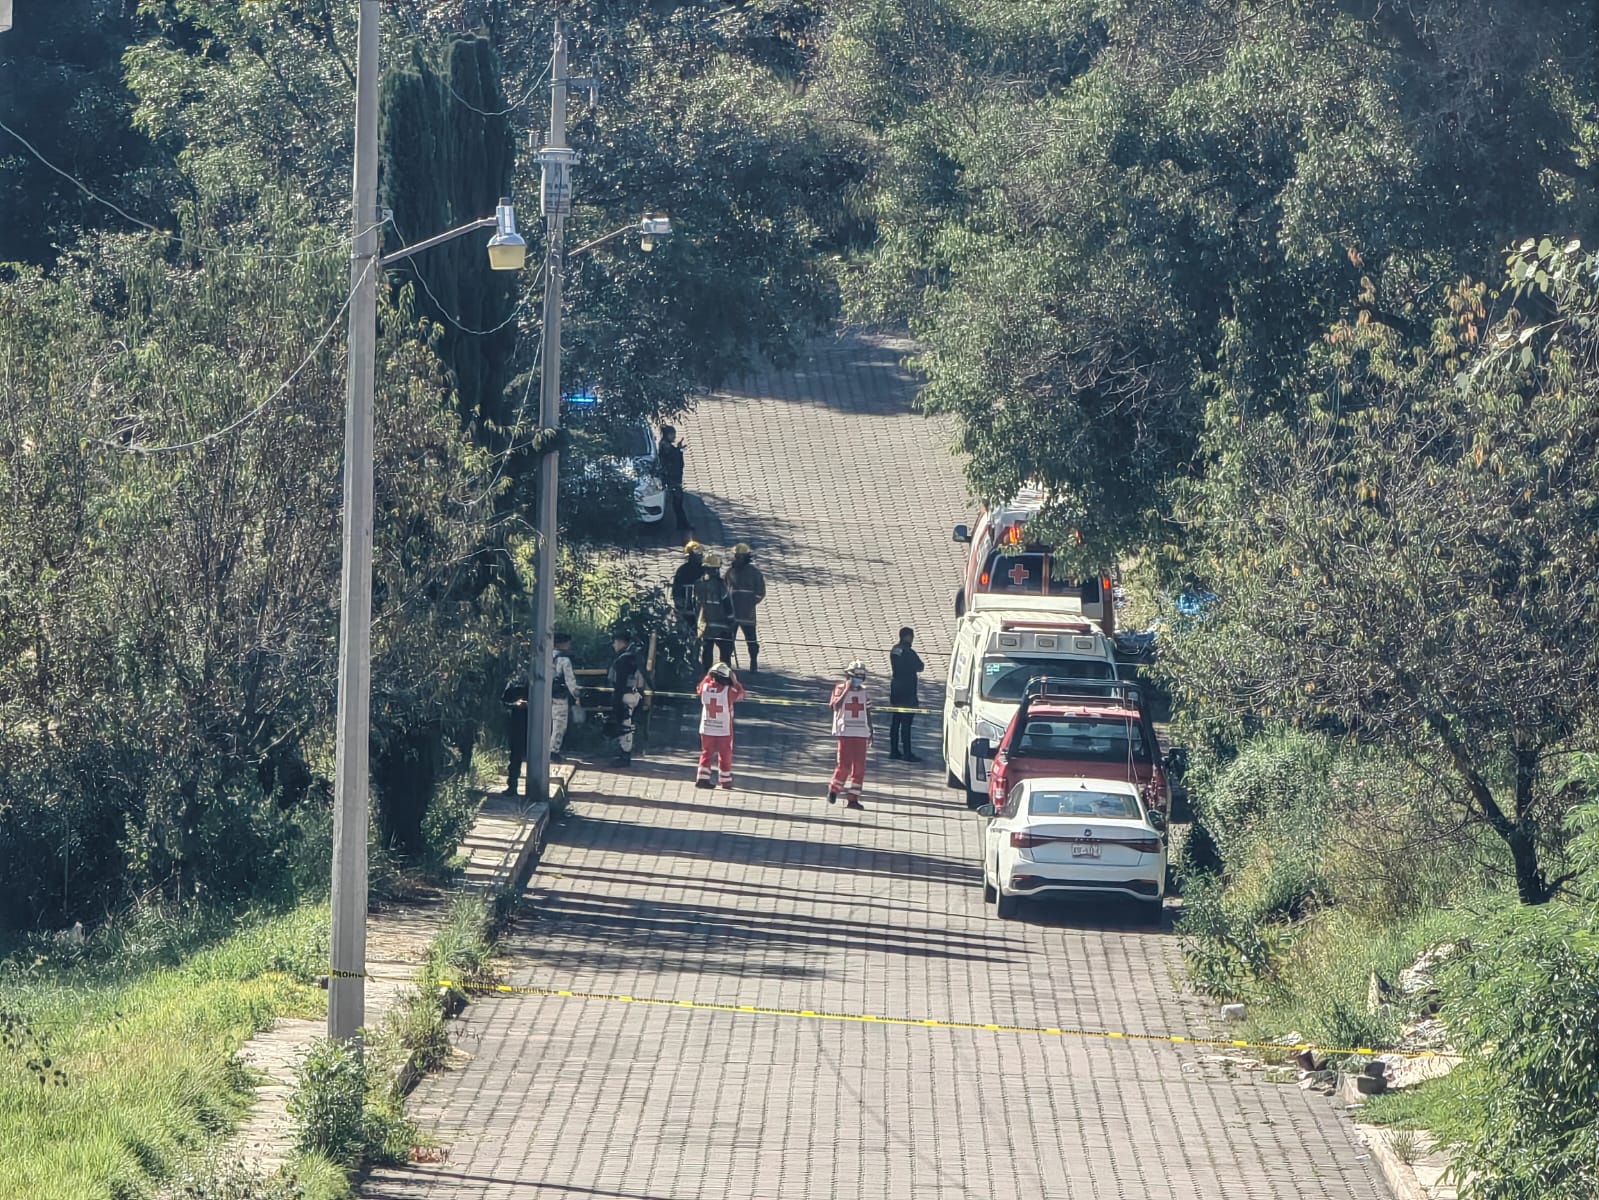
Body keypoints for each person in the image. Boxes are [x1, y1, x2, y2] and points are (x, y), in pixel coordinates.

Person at [827, 660, 874, 810]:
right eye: (856, 676)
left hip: (861, 733)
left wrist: (871, 729)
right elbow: (835, 706)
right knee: (844, 765)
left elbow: (867, 711)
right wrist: (846, 690)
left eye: (861, 676)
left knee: (859, 767)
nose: (858, 679)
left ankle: (853, 798)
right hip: (845, 732)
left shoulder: (864, 692)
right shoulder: (840, 688)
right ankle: (834, 790)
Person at [696, 661, 745, 790]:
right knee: (725, 754)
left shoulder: (705, 687)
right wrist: (735, 682)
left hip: (706, 727)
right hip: (724, 729)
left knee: (706, 752)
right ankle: (725, 780)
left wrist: (707, 676)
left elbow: (699, 688)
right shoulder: (729, 691)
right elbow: (741, 694)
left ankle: (702, 778)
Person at [723, 543, 767, 674]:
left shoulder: (754, 573)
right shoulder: (730, 572)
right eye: (736, 556)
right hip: (732, 613)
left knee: (751, 640)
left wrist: (750, 602)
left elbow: (760, 592)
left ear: (745, 557)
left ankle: (753, 662)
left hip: (747, 614)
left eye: (739, 556)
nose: (736, 559)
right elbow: (724, 589)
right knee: (728, 640)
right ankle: (726, 664)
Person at [607, 630, 645, 765]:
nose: (613, 645)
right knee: (626, 724)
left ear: (621, 642)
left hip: (626, 695)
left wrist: (616, 700)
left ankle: (625, 756)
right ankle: (624, 753)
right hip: (632, 693)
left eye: (615, 642)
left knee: (625, 726)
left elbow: (620, 682)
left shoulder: (624, 659)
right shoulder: (632, 656)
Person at [888, 626, 925, 762]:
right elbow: (920, 666)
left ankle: (893, 750)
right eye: (912, 637)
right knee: (906, 723)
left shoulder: (895, 650)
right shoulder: (909, 652)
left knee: (895, 721)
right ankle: (907, 753)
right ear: (907, 637)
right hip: (908, 690)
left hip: (896, 688)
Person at [694, 552, 735, 671]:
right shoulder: (720, 585)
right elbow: (727, 605)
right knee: (725, 652)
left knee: (707, 650)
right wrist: (731, 621)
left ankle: (706, 673)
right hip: (722, 625)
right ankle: (724, 673)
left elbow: (696, 603)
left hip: (705, 625)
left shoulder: (699, 583)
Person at [550, 631, 580, 762]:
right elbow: (570, 680)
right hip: (559, 696)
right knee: (559, 724)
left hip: (545, 696)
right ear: (563, 644)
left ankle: (543, 749)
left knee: (545, 724)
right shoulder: (564, 660)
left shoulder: (545, 657)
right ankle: (553, 751)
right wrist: (576, 695)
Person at [501, 674, 530, 796]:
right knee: (515, 757)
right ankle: (512, 786)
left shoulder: (538, 684)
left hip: (534, 725)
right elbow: (503, 702)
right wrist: (516, 705)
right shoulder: (512, 684)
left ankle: (534, 788)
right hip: (517, 724)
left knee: (531, 757)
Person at [658, 425, 690, 532]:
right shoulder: (665, 445)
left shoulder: (666, 445)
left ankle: (682, 524)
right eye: (672, 434)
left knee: (678, 502)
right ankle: (682, 524)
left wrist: (678, 449)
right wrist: (679, 450)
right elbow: (672, 457)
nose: (674, 436)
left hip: (674, 476)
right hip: (671, 478)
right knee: (677, 501)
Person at [671, 541, 704, 634]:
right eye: (697, 555)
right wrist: (680, 607)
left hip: (702, 610)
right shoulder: (682, 571)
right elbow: (676, 591)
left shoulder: (705, 570)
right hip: (686, 610)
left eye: (700, 555)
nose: (700, 557)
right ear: (690, 556)